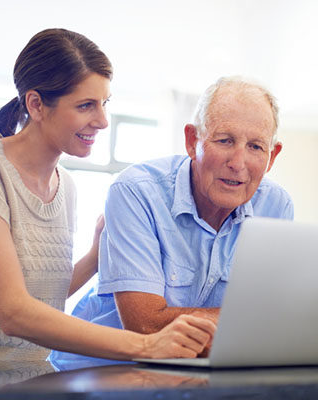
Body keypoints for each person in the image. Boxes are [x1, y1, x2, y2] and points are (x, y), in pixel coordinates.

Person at [0, 29, 216, 371]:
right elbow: (13, 312)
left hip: (24, 374)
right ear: (36, 104)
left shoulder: (66, 186)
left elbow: (41, 298)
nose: (102, 120)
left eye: (105, 103)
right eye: (86, 105)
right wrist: (147, 344)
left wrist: (93, 257)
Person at [49, 76, 294, 371]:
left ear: (272, 157)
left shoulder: (276, 206)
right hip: (102, 370)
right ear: (193, 141)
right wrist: (253, 321)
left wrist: (266, 323)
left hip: (197, 372)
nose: (238, 162)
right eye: (225, 140)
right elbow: (146, 326)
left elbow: (273, 327)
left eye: (255, 146)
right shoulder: (135, 191)